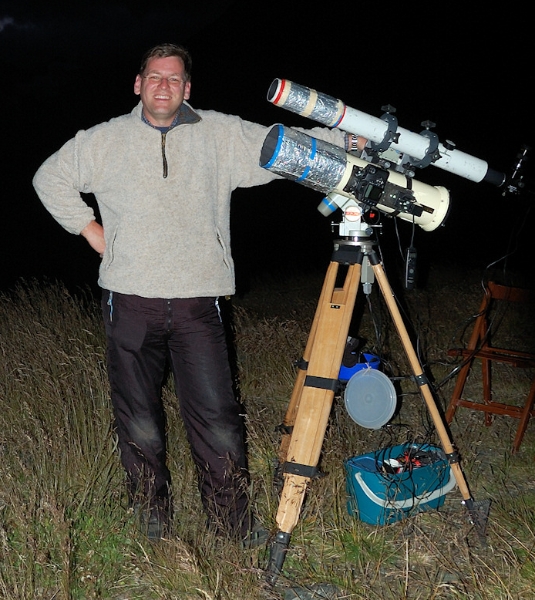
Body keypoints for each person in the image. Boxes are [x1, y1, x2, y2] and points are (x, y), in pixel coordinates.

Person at [33, 43, 365, 545]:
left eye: (174, 79)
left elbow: (285, 144)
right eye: (154, 76)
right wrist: (93, 232)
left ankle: (230, 525)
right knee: (138, 417)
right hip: (130, 301)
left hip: (197, 304)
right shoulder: (102, 141)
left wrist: (343, 137)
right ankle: (151, 514)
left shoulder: (221, 133)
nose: (163, 85)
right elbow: (49, 178)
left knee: (218, 419)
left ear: (187, 89)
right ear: (138, 84)